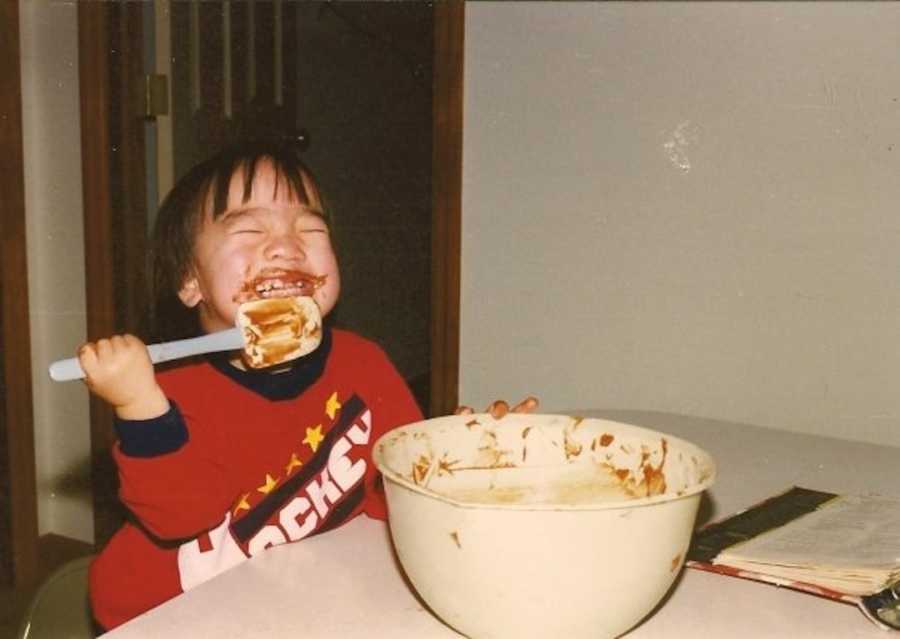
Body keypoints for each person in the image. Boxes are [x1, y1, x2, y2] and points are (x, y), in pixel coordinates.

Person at [78, 139, 537, 631]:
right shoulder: (167, 398)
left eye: (310, 228)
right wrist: (138, 405)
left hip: (288, 593)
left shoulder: (363, 363)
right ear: (190, 281)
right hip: (165, 612)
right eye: (250, 229)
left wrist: (459, 460)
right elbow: (178, 516)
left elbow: (388, 496)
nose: (286, 245)